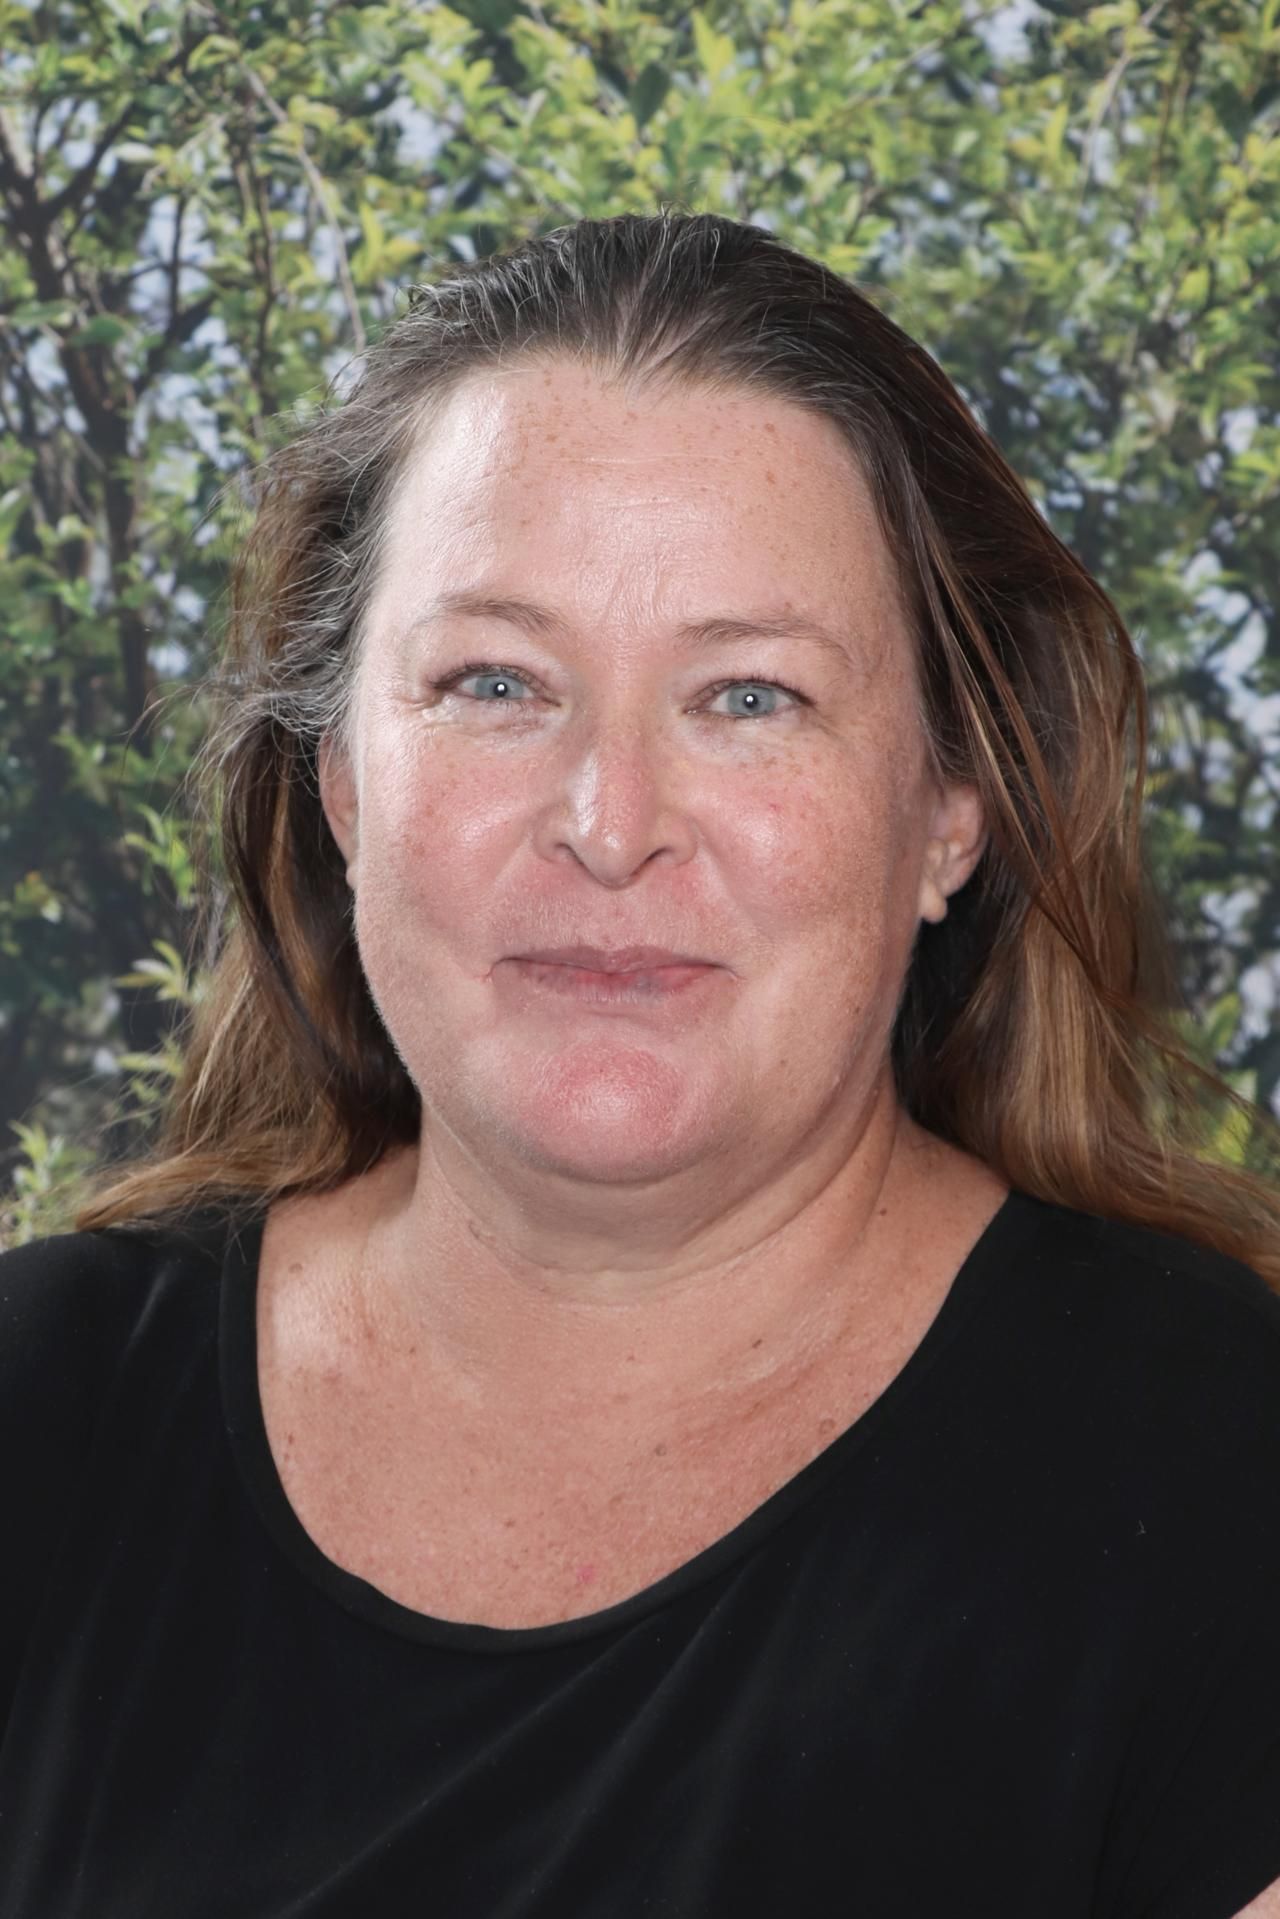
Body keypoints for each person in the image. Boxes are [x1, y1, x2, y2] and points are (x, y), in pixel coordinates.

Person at [2, 208, 1279, 1918]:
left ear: (949, 816)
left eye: (750, 698)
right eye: (497, 682)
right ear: (343, 789)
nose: (610, 826)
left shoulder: (1223, 1477)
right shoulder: (44, 1415)